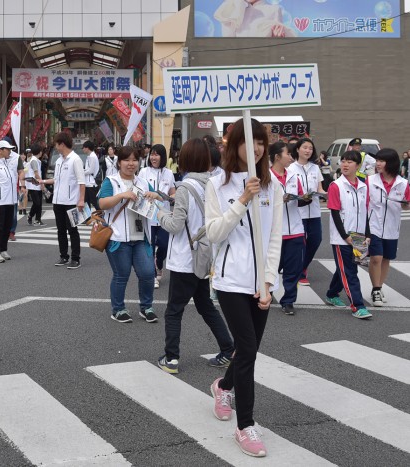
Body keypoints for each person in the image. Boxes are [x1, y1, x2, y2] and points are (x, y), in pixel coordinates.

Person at [205, 118, 283, 458]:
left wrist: (268, 281)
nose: (256, 149)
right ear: (233, 144)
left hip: (261, 284)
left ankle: (222, 386)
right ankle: (245, 425)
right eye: (248, 142)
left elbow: (274, 237)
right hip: (230, 281)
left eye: (261, 142)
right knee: (248, 349)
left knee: (248, 349)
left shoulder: (273, 186)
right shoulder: (216, 185)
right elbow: (214, 234)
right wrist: (241, 200)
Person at [156, 138, 235, 373]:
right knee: (205, 306)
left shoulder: (185, 187)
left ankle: (171, 358)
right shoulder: (214, 184)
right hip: (205, 253)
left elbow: (175, 225)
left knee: (174, 310)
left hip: (185, 258)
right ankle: (228, 348)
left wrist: (158, 213)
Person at [98, 146, 161, 323]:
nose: (131, 164)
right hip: (118, 238)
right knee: (121, 274)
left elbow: (161, 198)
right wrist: (121, 196)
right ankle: (118, 309)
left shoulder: (141, 181)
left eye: (134, 160)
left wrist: (154, 194)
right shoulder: (111, 181)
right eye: (127, 160)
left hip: (141, 237)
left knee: (148, 273)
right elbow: (102, 203)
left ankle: (146, 307)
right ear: (119, 162)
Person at [324, 150, 372, 319]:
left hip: (359, 236)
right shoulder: (336, 185)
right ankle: (358, 305)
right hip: (342, 237)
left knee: (346, 268)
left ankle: (331, 293)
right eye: (343, 161)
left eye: (350, 162)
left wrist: (367, 234)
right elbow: (335, 213)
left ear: (358, 165)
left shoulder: (364, 186)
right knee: (350, 272)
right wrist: (345, 236)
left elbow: (365, 212)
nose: (345, 164)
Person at [269, 142, 310, 315]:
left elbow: (300, 199)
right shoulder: (265, 177)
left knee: (293, 268)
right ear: (277, 157)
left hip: (295, 229)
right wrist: (279, 201)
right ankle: (266, 294)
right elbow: (260, 204)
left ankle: (289, 300)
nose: (291, 157)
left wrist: (306, 198)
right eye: (288, 154)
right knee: (270, 267)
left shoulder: (294, 175)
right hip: (273, 231)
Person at [367, 148, 410, 306]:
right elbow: (365, 203)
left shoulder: (403, 183)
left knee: (386, 259)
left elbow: (407, 205)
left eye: (381, 161)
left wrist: (406, 204)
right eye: (377, 160)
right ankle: (376, 289)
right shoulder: (370, 181)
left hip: (392, 227)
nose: (377, 164)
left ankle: (378, 287)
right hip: (373, 225)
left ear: (390, 163)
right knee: (376, 258)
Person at [39, 132, 85, 269]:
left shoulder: (75, 160)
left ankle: (75, 258)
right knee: (60, 230)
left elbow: (81, 182)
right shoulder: (59, 160)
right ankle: (63, 256)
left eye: (56, 144)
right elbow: (57, 179)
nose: (56, 147)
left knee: (72, 230)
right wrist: (43, 181)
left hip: (71, 201)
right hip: (58, 201)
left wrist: (81, 200)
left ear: (62, 144)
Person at [138, 144, 175, 288]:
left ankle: (159, 264)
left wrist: (165, 197)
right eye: (151, 155)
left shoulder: (168, 173)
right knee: (150, 247)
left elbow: (173, 193)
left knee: (165, 245)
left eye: (156, 155)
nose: (153, 157)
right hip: (148, 216)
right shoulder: (143, 172)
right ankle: (153, 275)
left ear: (162, 157)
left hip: (164, 216)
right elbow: (139, 192)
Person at [290, 138, 325, 286]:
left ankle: (303, 266)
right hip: (298, 211)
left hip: (314, 211)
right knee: (300, 243)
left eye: (310, 148)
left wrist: (325, 194)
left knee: (316, 240)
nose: (308, 150)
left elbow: (320, 189)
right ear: (297, 149)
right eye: (305, 147)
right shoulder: (290, 168)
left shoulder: (315, 168)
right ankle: (300, 270)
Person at [214, 0, 296, 37]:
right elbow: (228, 39)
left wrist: (277, 38)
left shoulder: (274, 9)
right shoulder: (237, 9)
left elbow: (278, 38)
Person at [25, 144, 45, 226]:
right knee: (36, 203)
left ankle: (38, 219)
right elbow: (36, 173)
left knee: (39, 203)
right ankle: (30, 215)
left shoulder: (36, 160)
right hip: (33, 185)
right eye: (41, 151)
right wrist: (42, 183)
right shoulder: (34, 160)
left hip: (36, 184)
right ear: (39, 152)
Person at [82, 140, 100, 210]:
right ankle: (88, 218)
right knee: (86, 202)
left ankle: (101, 216)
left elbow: (91, 170)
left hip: (91, 183)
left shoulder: (92, 156)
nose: (83, 149)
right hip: (87, 183)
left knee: (94, 202)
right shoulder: (90, 156)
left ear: (87, 148)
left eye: (83, 147)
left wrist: (81, 172)